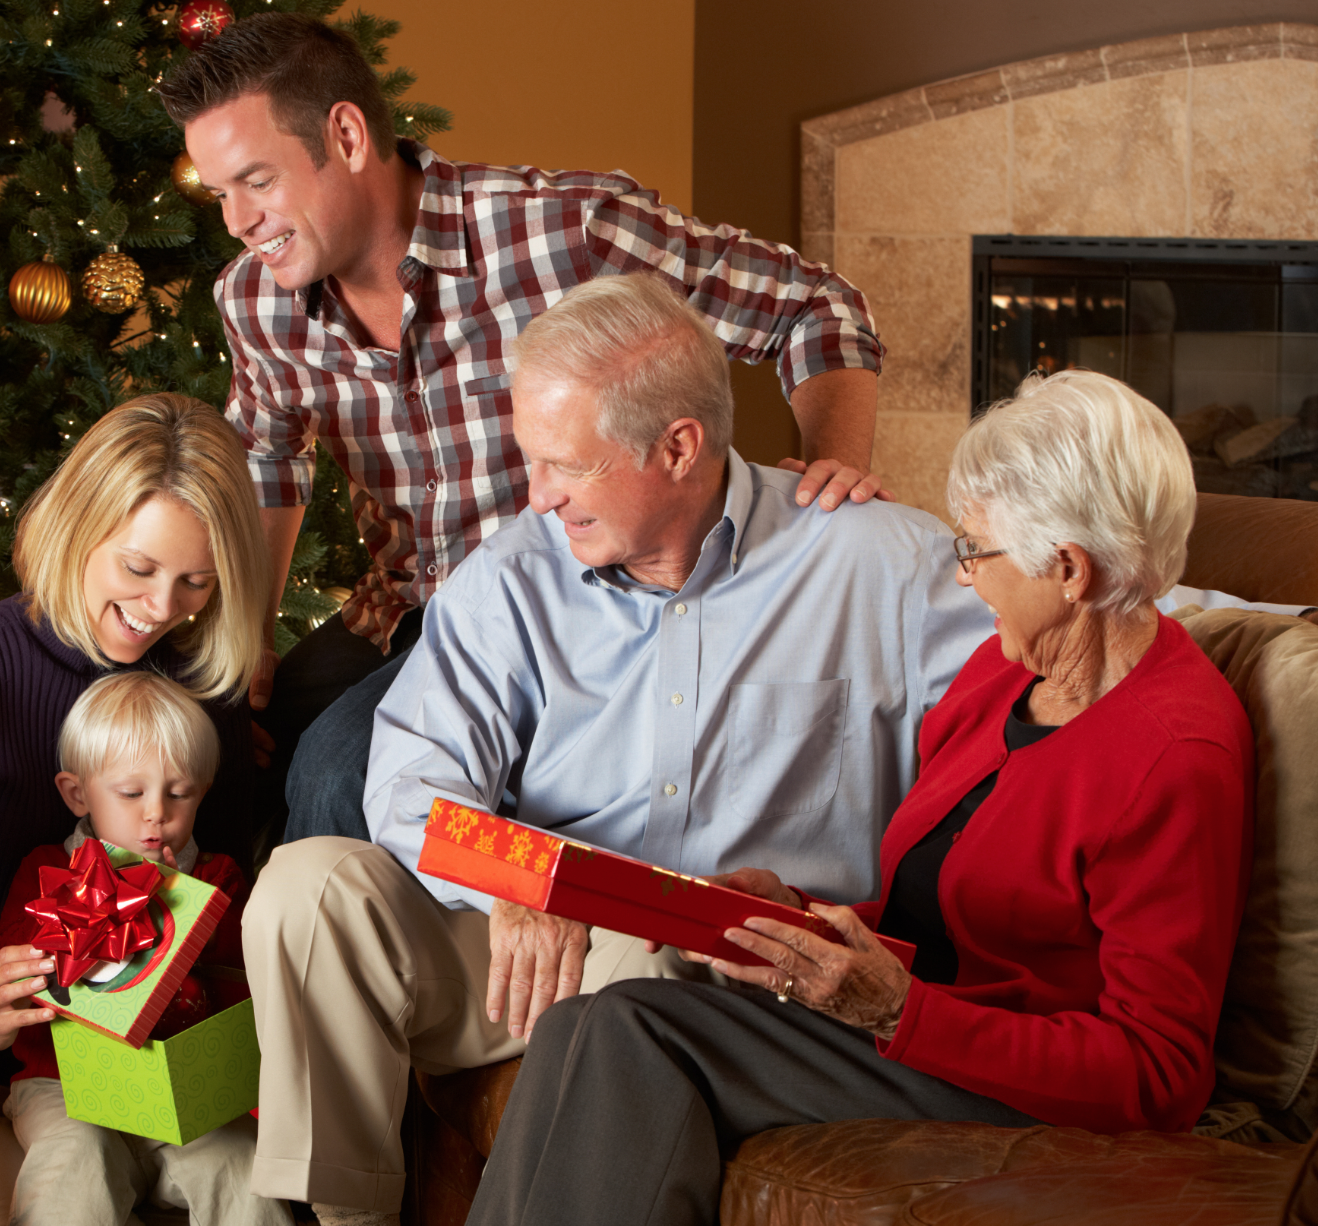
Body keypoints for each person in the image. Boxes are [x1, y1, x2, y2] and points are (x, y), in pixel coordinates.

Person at [238, 274, 1285, 1226]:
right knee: (309, 884)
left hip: (722, 963)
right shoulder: (1011, 670)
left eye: (566, 463)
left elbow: (1148, 600)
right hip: (568, 926)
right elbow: (409, 784)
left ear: (678, 447)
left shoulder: (890, 569)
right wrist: (540, 880)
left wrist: (1272, 618)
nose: (539, 492)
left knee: (620, 1018)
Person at [465, 367, 1258, 1226]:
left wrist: (898, 1009)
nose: (963, 579)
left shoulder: (1173, 754)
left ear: (1066, 569)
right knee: (583, 1024)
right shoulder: (1002, 674)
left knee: (630, 1031)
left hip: (1010, 1078)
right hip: (922, 1022)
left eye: (974, 551)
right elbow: (938, 913)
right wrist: (800, 921)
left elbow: (1159, 1074)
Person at [157, 13, 891, 843]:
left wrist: (832, 480)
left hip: (569, 609)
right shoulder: (254, 299)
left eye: (256, 180)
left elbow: (813, 307)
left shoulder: (565, 233)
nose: (237, 220)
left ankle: (382, 962)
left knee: (335, 773)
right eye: (221, 192)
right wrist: (247, 642)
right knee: (209, 744)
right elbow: (268, 463)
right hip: (399, 612)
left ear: (348, 134)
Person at [0, 394, 271, 1225]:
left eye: (196, 582)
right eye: (138, 569)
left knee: (243, 1178)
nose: (162, 608)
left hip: (140, 1065)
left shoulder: (204, 684)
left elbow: (221, 887)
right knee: (41, 1193)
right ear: (77, 527)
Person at [0, 670, 290, 1226]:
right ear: (77, 794)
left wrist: (179, 905)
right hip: (63, 1087)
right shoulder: (46, 871)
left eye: (180, 793)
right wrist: (107, 901)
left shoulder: (218, 878)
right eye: (131, 794)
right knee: (74, 1162)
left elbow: (243, 992)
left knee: (242, 1166)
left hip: (181, 1095)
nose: (157, 813)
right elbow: (20, 979)